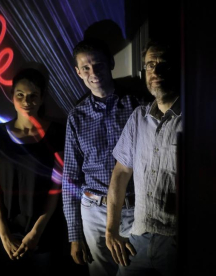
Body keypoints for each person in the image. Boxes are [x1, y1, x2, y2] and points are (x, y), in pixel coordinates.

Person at [62, 38, 140, 276]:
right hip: (94, 211)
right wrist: (74, 236)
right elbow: (70, 178)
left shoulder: (137, 106)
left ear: (111, 64)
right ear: (78, 72)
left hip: (133, 209)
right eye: (85, 67)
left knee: (135, 269)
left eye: (98, 65)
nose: (93, 72)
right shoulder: (76, 117)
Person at [105, 39, 181, 276]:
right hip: (138, 236)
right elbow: (121, 173)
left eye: (163, 65)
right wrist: (111, 229)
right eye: (150, 65)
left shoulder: (196, 118)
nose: (155, 71)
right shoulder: (139, 117)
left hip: (176, 242)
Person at [0, 67, 67, 275]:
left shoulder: (57, 133)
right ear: (12, 96)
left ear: (42, 98)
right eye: (20, 95)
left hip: (46, 229)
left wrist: (36, 232)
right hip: (8, 228)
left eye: (33, 96)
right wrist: (4, 234)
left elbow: (57, 187)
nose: (26, 101)